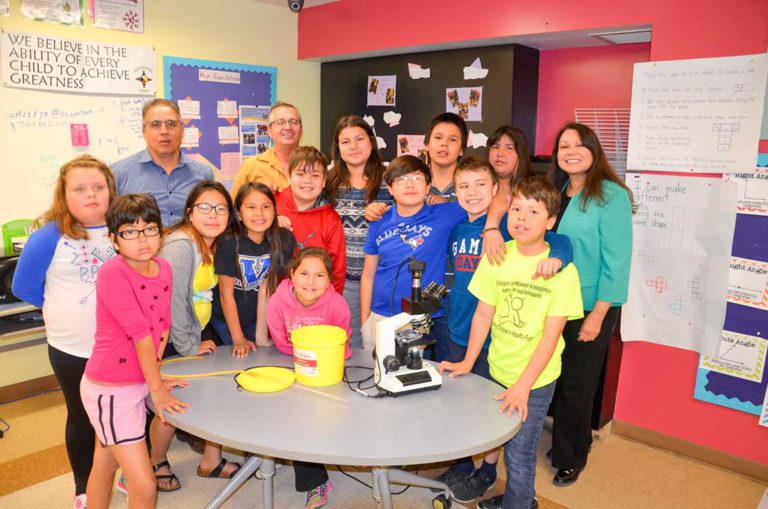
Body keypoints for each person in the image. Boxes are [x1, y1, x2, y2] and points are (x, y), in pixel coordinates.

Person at [433, 157, 573, 504]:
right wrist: (467, 361)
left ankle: (519, 502)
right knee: (495, 436)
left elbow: (551, 337)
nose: (522, 219)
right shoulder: (498, 256)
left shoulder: (561, 271)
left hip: (534, 379)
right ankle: (515, 499)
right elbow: (484, 313)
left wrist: (523, 386)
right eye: (517, 210)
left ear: (551, 221)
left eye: (534, 212)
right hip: (497, 367)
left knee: (520, 455)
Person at [12, 155, 117, 509]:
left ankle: (133, 472)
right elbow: (24, 287)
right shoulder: (49, 235)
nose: (91, 195)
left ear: (110, 190)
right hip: (71, 346)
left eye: (98, 187)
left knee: (130, 413)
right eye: (80, 188)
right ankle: (83, 485)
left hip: (121, 345)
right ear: (65, 194)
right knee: (81, 416)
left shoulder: (123, 227)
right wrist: (61, 308)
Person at [79, 193, 188, 509]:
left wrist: (155, 379)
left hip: (136, 381)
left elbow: (161, 327)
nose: (142, 239)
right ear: (114, 240)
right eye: (130, 232)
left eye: (150, 229)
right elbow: (141, 335)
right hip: (111, 390)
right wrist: (157, 390)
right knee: (144, 485)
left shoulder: (164, 268)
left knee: (106, 462)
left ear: (161, 232)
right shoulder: (113, 272)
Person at [548, 122, 633, 486]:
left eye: (578, 145)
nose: (570, 151)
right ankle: (576, 438)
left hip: (590, 305)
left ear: (594, 150)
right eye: (563, 145)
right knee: (553, 375)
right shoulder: (557, 191)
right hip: (552, 302)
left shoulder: (610, 195)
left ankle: (571, 458)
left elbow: (617, 261)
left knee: (576, 384)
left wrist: (597, 315)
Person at [149, 180, 241, 489]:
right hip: (173, 337)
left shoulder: (210, 242)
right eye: (205, 207)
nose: (213, 215)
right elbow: (172, 299)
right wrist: (189, 345)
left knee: (214, 392)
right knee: (174, 405)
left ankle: (211, 460)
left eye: (221, 208)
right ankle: (156, 461)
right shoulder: (181, 244)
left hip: (194, 329)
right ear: (190, 212)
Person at [266, 247, 351, 509]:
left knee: (332, 412)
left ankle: (346, 450)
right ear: (292, 274)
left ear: (329, 281)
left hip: (329, 368)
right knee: (295, 418)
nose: (310, 282)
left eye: (319, 276)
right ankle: (315, 480)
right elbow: (281, 342)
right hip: (290, 363)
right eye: (303, 273)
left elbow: (342, 342)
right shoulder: (278, 302)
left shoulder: (337, 304)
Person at [359, 155, 468, 351]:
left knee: (411, 376)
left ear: (428, 187)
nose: (410, 184)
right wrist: (365, 319)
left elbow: (493, 200)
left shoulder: (444, 214)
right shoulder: (379, 220)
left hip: (419, 319)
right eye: (401, 179)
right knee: (373, 375)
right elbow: (368, 274)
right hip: (379, 313)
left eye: (417, 178)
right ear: (390, 188)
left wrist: (492, 228)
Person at [325, 115, 393, 348]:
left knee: (385, 347)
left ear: (371, 142)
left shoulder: (390, 180)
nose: (353, 146)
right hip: (344, 283)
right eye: (345, 142)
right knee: (349, 347)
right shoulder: (328, 182)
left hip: (385, 280)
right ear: (338, 148)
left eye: (359, 139)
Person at [210, 182, 296, 357]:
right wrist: (238, 338)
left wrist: (261, 334)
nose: (259, 213)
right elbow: (226, 296)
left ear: (274, 210)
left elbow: (268, 287)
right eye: (251, 207)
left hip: (254, 316)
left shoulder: (284, 240)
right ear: (239, 214)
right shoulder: (228, 243)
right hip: (225, 318)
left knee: (260, 355)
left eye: (266, 206)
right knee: (237, 357)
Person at [112, 98, 214, 228]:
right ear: (144, 131)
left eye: (171, 124)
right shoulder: (119, 173)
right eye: (155, 124)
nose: (164, 131)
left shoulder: (204, 174)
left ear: (182, 130)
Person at [275, 146, 346, 294]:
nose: (307, 181)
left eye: (315, 175)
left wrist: (331, 302)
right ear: (289, 176)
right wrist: (271, 224)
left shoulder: (331, 220)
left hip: (314, 299)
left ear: (324, 180)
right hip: (272, 296)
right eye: (300, 174)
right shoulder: (272, 203)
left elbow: (337, 270)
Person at [231, 101, 303, 197]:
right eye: (280, 122)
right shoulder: (250, 167)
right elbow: (234, 207)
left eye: (293, 122)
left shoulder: (314, 164)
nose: (288, 127)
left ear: (301, 129)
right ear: (269, 131)